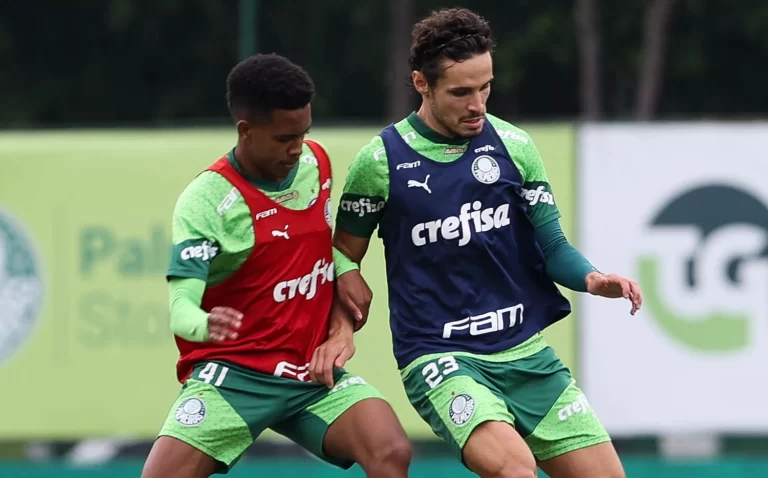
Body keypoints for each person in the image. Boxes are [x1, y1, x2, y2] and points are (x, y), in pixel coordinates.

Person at [313, 8, 642, 478]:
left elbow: (552, 247)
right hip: (440, 356)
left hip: (526, 353)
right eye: (461, 92)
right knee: (515, 470)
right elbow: (343, 253)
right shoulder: (381, 161)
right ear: (421, 83)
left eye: (485, 87)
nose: (478, 104)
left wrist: (591, 278)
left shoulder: (514, 145)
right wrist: (342, 325)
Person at [141, 53, 412, 478]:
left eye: (304, 133)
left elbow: (324, 243)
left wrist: (344, 269)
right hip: (236, 374)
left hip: (309, 373)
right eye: (285, 137)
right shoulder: (207, 201)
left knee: (391, 449)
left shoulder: (315, 163)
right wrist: (204, 324)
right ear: (245, 131)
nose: (297, 148)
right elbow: (181, 309)